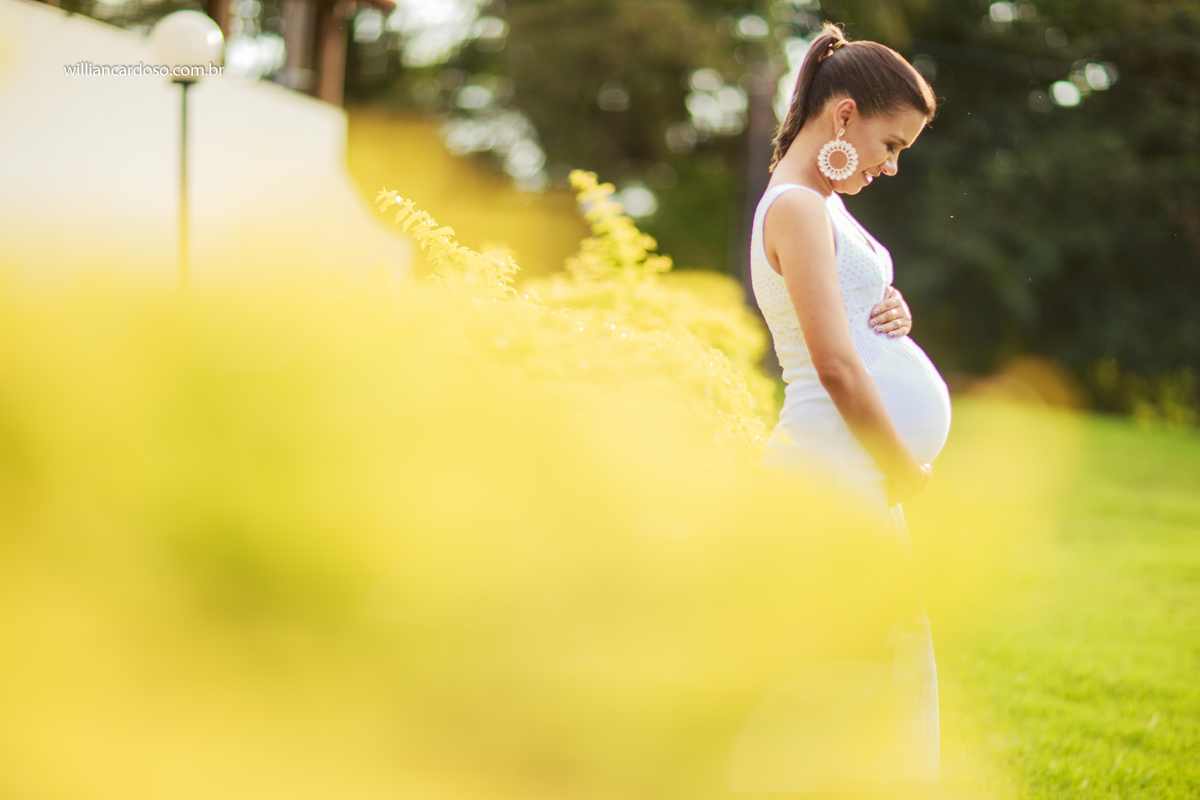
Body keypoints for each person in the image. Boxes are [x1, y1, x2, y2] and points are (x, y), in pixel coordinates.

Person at [744, 22, 950, 795]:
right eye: (890, 145)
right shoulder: (797, 206)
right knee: (839, 686)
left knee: (865, 680)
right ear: (843, 116)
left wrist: (890, 308)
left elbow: (847, 318)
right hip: (831, 472)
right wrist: (907, 470)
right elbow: (832, 366)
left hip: (852, 474)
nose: (891, 165)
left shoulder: (820, 205)